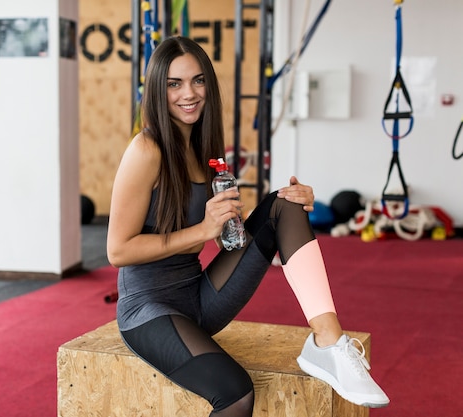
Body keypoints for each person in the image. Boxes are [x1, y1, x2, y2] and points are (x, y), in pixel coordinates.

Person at [106, 36, 389, 416]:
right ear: (159, 89)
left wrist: (238, 223)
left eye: (198, 80)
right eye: (174, 83)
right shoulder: (146, 149)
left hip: (200, 297)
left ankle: (327, 344)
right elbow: (118, 250)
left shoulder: (203, 149)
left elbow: (219, 235)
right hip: (149, 309)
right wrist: (203, 230)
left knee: (284, 204)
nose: (188, 93)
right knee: (236, 394)